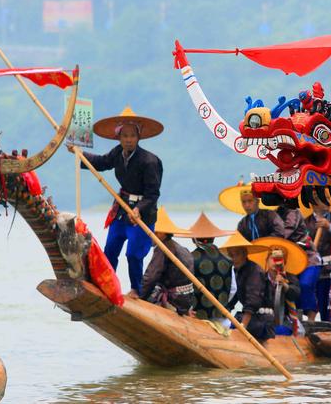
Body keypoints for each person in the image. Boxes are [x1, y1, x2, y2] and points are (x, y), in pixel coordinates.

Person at [70, 106, 163, 298]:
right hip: (121, 210)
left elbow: (152, 194)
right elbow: (101, 162)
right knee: (110, 248)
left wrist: (138, 210)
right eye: (125, 135)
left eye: (132, 135)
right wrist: (78, 153)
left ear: (138, 137)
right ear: (119, 137)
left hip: (142, 215)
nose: (128, 139)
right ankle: (105, 284)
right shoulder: (117, 153)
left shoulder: (150, 162)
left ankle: (137, 290)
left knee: (133, 255)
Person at [176, 212, 236, 321]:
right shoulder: (227, 259)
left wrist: (186, 308)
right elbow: (233, 289)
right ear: (214, 237)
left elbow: (184, 288)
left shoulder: (190, 258)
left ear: (194, 239)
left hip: (196, 317)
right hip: (221, 318)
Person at [141, 207, 195, 315]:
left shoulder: (163, 248)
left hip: (173, 301)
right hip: (185, 301)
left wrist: (138, 294)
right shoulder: (181, 249)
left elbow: (151, 276)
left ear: (161, 233)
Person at [220, 232, 271, 340]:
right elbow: (236, 295)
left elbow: (253, 300)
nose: (233, 258)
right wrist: (225, 310)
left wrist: (243, 325)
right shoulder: (237, 270)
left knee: (231, 332)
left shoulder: (255, 271)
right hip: (249, 317)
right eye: (231, 255)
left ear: (245, 253)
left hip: (262, 319)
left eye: (236, 254)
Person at [251, 237, 306, 336]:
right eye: (273, 258)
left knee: (280, 331)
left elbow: (296, 294)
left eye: (280, 259)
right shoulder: (260, 277)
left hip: (284, 320)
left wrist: (284, 285)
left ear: (284, 262)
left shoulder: (290, 277)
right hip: (262, 319)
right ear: (267, 260)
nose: (276, 262)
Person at [277, 205, 321, 321]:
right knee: (291, 288)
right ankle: (294, 319)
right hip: (291, 260)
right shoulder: (273, 215)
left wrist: (270, 238)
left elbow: (285, 232)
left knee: (305, 285)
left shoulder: (293, 211)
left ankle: (311, 319)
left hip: (309, 259)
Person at [219, 184, 285, 240]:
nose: (247, 205)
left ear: (257, 201)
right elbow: (239, 241)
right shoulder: (243, 223)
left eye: (250, 201)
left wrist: (263, 243)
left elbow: (280, 232)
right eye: (244, 202)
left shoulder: (270, 215)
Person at [305, 201, 331, 321]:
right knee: (311, 303)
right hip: (312, 269)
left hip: (330, 271)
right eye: (323, 198)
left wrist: (329, 227)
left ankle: (328, 329)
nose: (328, 202)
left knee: (327, 305)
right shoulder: (305, 222)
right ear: (314, 203)